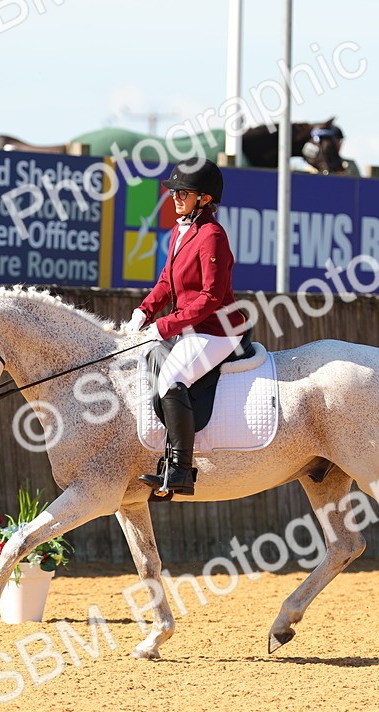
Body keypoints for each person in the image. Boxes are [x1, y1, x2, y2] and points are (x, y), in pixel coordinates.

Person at [122, 157, 246, 496]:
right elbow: (166, 280)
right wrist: (144, 311)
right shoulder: (180, 230)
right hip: (191, 327)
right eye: (174, 192)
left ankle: (180, 470)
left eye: (183, 193)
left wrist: (165, 325)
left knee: (171, 378)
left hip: (216, 330)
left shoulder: (212, 235)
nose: (175, 198)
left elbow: (211, 296)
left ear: (204, 199)